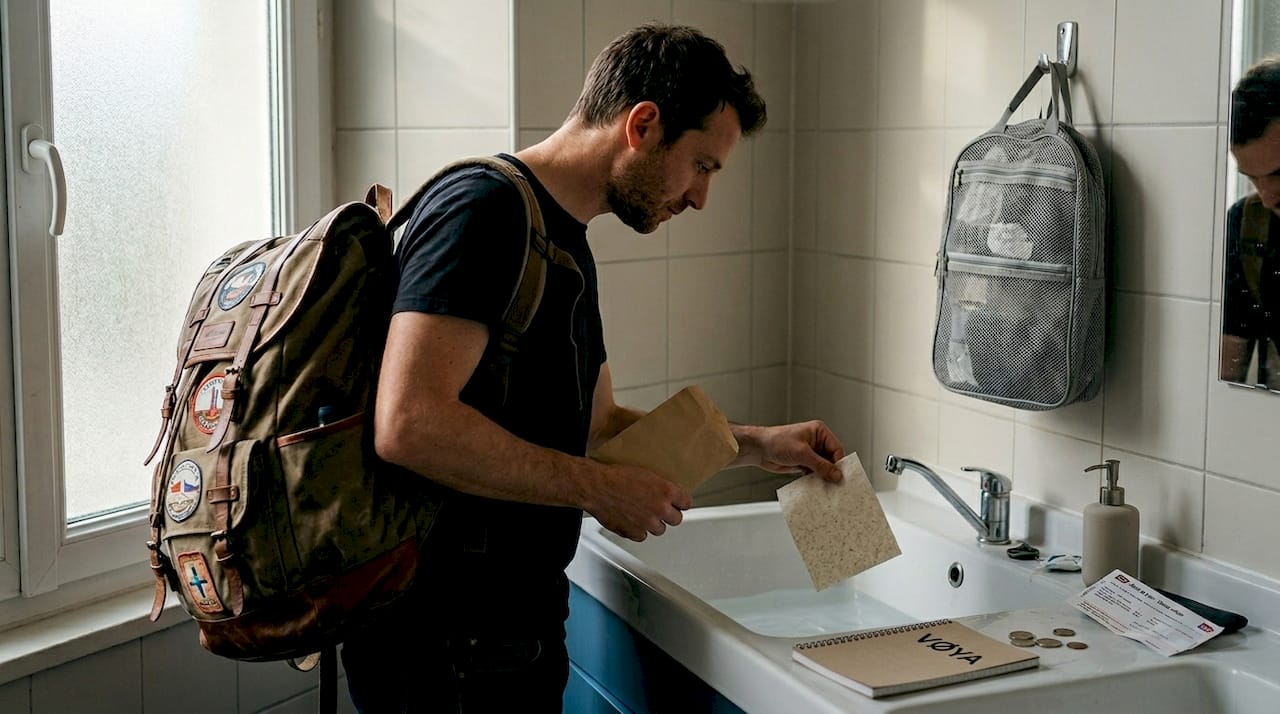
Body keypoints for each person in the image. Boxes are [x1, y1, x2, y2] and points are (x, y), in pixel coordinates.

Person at [339, 22, 847, 713]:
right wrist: (597, 492)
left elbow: (598, 427)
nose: (701, 198)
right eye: (702, 165)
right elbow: (408, 424)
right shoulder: (484, 212)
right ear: (642, 125)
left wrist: (758, 445)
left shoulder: (564, 243)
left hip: (510, 638)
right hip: (443, 650)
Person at [1223, 55, 1280, 387]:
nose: (1268, 196)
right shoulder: (1247, 224)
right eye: (1252, 178)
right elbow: (1230, 356)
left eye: (1278, 174)